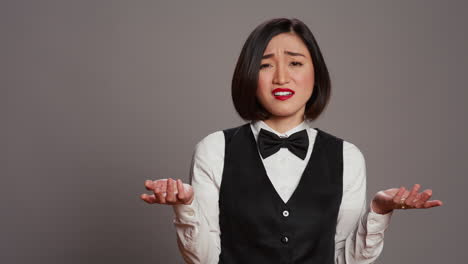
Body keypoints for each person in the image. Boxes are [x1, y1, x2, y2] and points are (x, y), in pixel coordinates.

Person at [140, 17, 443, 264]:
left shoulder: (347, 156)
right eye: (265, 64)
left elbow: (347, 260)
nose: (281, 78)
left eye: (295, 63)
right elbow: (203, 260)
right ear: (249, 75)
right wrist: (185, 207)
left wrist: (378, 212)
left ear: (316, 74)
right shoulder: (214, 149)